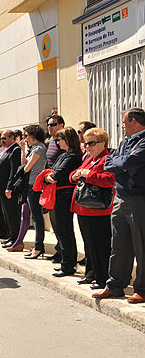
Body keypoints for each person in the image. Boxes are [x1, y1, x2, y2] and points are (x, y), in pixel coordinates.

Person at [94, 108, 145, 304]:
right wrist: (120, 164)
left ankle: (141, 289)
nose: (122, 125)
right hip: (120, 197)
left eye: (124, 121)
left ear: (134, 121)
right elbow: (111, 162)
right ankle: (115, 285)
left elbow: (129, 161)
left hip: (138, 198)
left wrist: (120, 163)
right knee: (119, 245)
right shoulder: (126, 141)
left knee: (141, 245)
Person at [70, 128, 115, 289]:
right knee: (89, 244)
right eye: (86, 143)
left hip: (98, 209)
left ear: (103, 143)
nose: (88, 147)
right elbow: (75, 174)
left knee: (100, 246)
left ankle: (102, 278)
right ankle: (90, 274)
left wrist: (88, 174)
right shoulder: (89, 158)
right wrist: (75, 175)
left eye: (91, 143)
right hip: (83, 207)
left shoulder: (107, 159)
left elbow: (109, 180)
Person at [44, 127, 82, 277]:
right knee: (60, 230)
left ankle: (68, 265)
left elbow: (57, 174)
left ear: (68, 140)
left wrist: (50, 177)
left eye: (59, 139)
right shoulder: (64, 155)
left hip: (64, 197)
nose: (57, 142)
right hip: (57, 196)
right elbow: (51, 170)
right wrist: (50, 176)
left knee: (65, 231)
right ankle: (66, 262)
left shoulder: (73, 156)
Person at [20, 125, 48, 259]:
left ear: (32, 136)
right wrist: (23, 150)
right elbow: (24, 162)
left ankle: (39, 247)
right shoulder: (34, 148)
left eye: (26, 136)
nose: (25, 139)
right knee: (35, 217)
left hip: (35, 186)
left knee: (37, 217)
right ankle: (37, 246)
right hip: (31, 185)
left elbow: (26, 168)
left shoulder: (39, 148)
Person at [0, 130, 21, 249]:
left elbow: (13, 171)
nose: (2, 140)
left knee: (12, 214)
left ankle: (15, 238)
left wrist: (9, 187)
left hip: (8, 189)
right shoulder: (7, 149)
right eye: (2, 138)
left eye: (5, 138)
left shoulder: (15, 150)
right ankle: (11, 236)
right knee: (6, 215)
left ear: (12, 138)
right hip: (1, 188)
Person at [45, 114, 66, 263]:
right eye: (48, 124)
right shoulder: (50, 141)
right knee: (54, 222)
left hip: (61, 186)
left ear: (61, 125)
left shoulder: (63, 141)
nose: (49, 127)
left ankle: (64, 254)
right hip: (50, 185)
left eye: (53, 124)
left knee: (62, 224)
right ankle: (59, 250)